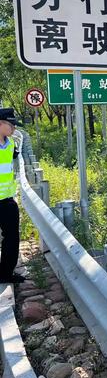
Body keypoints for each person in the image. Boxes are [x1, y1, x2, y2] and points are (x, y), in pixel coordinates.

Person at [0, 108, 25, 284]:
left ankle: (6, 273)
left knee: (11, 238)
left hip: (7, 200)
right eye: (11, 125)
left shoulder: (10, 145)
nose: (14, 129)